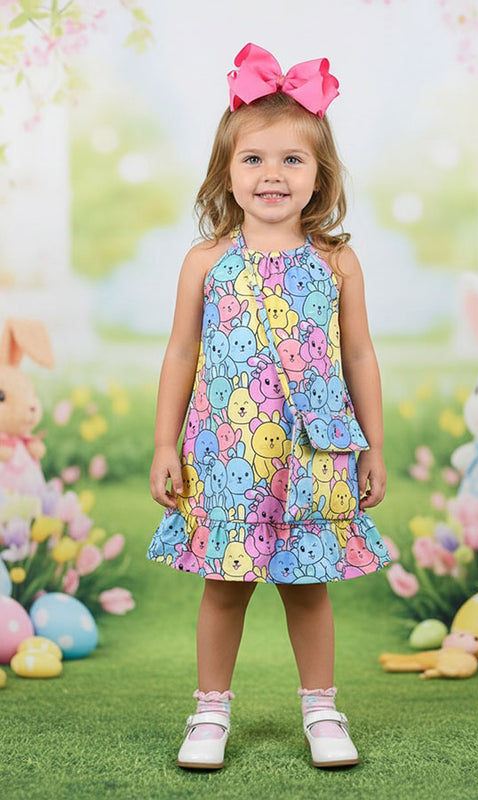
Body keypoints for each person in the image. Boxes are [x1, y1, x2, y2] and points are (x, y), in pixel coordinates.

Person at [147, 42, 391, 771]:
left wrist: (373, 446)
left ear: (320, 174)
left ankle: (321, 709)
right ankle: (209, 712)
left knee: (306, 586)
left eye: (292, 159)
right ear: (227, 171)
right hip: (225, 457)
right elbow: (180, 355)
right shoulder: (206, 261)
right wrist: (164, 444)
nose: (272, 175)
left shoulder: (335, 261)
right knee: (223, 588)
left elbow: (359, 356)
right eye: (253, 159)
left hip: (313, 455)